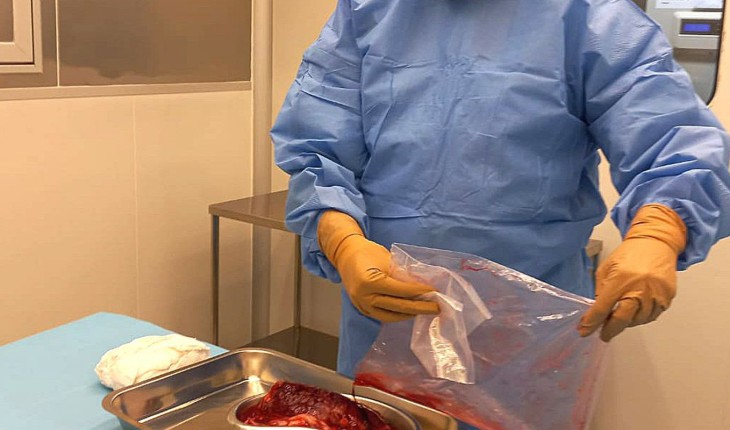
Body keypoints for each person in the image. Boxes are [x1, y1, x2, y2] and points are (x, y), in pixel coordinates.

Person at [271, 0, 730, 385]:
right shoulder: (368, 10)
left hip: (530, 324)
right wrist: (343, 242)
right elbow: (318, 145)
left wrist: (658, 233)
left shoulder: (590, 15)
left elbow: (672, 136)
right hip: (390, 315)